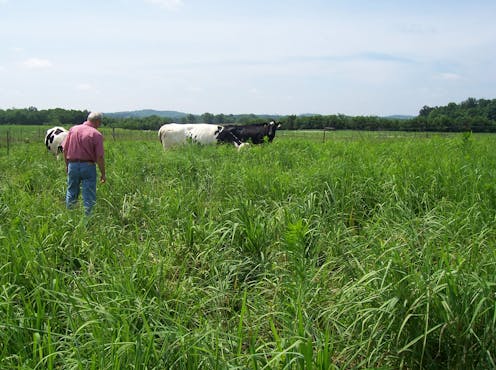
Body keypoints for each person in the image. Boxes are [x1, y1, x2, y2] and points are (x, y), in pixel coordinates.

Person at [63, 111, 106, 215]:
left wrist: (67, 165)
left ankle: (70, 216)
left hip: (72, 165)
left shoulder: (73, 130)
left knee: (71, 191)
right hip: (88, 166)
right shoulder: (96, 134)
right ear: (97, 122)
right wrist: (103, 173)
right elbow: (100, 157)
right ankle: (87, 219)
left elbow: (65, 149)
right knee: (88, 195)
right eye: (100, 123)